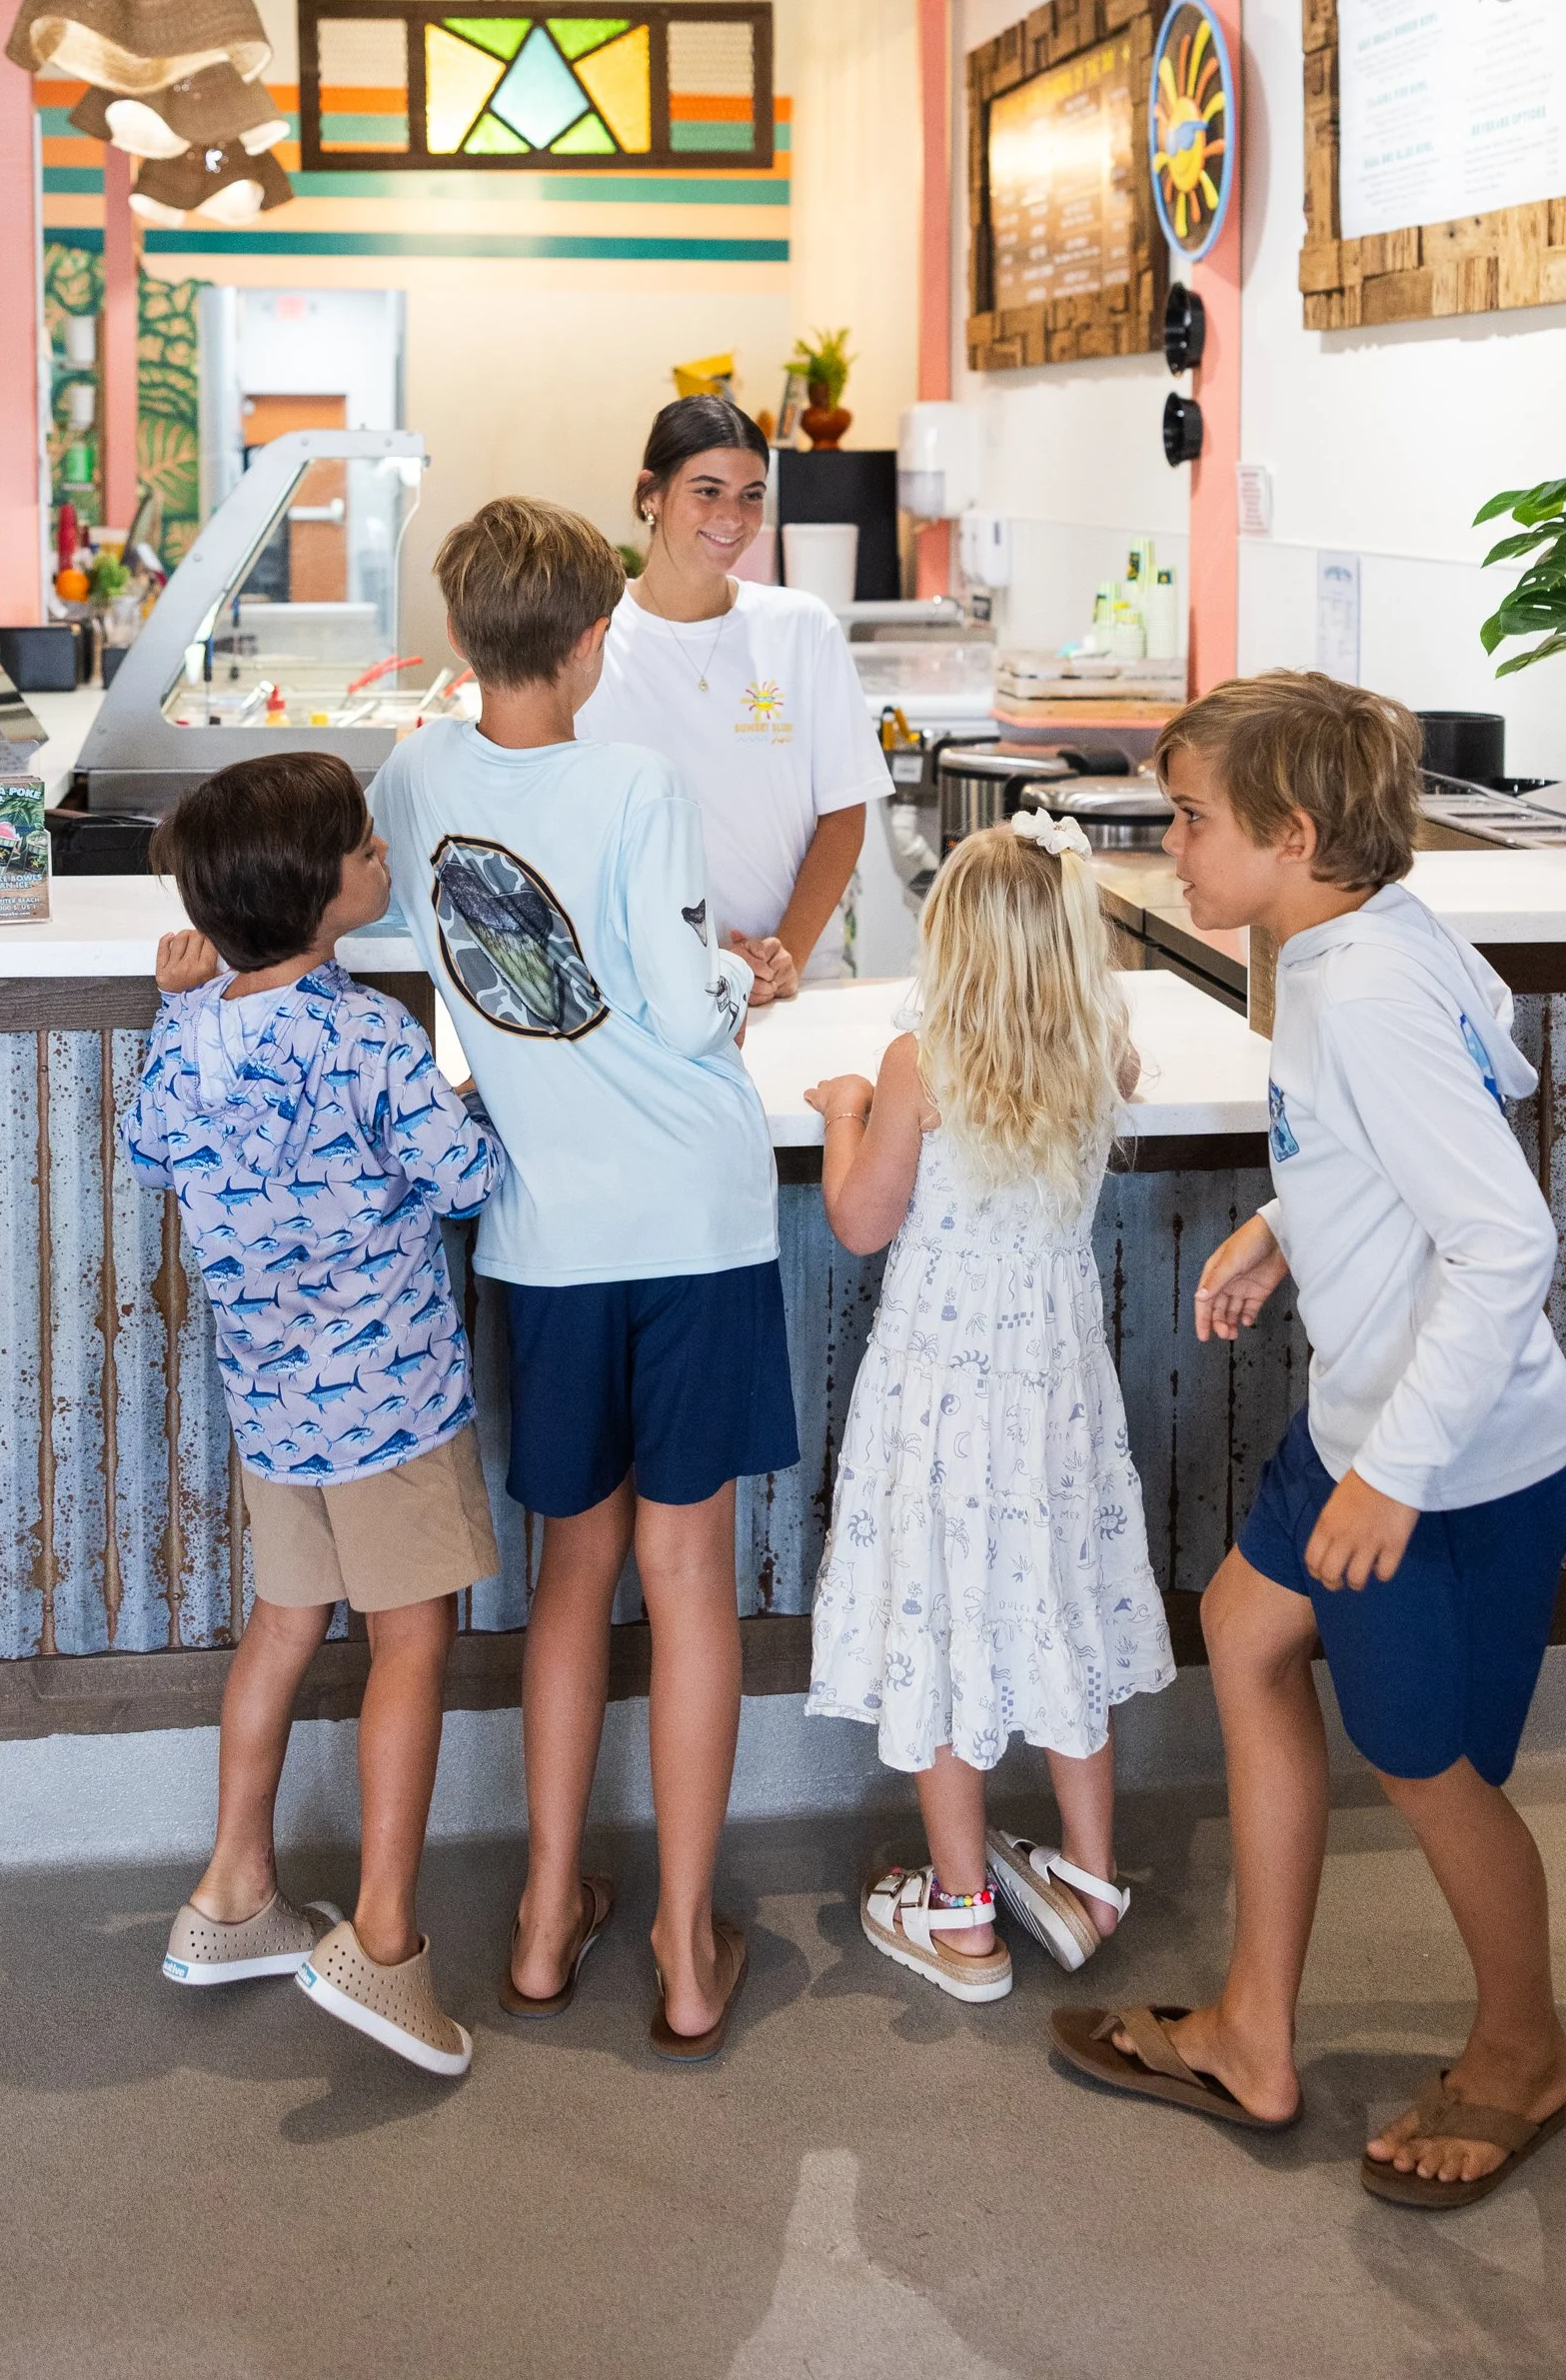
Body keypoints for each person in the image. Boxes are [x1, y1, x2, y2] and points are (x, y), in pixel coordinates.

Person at [1052, 674, 1566, 2215]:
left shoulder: (1351, 987)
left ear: (1293, 835)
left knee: (1429, 1777)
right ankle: (1249, 2035)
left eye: (1191, 821)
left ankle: (1519, 2054)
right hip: (1362, 1422)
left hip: (1443, 1462)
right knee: (1243, 1628)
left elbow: (1503, 1236)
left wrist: (1393, 1475)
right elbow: (1485, 1093)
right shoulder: (1366, 938)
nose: (1170, 849)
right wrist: (1296, 1222)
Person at [372, 494, 796, 2058]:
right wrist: (735, 979)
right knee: (685, 1582)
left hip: (542, 1233)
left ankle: (546, 1922)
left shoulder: (414, 776)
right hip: (687, 1222)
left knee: (570, 1576)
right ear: (592, 640)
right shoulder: (634, 781)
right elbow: (683, 1021)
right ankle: (688, 1955)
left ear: (469, 637)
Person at [128, 752, 510, 2082]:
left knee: (284, 1629)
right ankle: (386, 1945)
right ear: (318, 889)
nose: (382, 856)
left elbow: (146, 1145)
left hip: (271, 1408)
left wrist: (178, 1012)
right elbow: (463, 1180)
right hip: (391, 1401)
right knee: (412, 1641)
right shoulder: (368, 1038)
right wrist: (495, 1107)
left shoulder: (193, 1039)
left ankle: (233, 1890)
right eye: (364, 843)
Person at [803, 810, 1172, 2002]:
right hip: (1054, 1392)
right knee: (1056, 1602)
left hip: (941, 1399)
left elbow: (860, 1222)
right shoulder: (1099, 1054)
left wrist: (843, 1114)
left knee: (944, 1615)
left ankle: (961, 1916)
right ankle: (1092, 1879)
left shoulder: (922, 1064)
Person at [576, 391, 890, 1000]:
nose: (733, 515)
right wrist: (686, 962)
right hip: (646, 988)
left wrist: (783, 956)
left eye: (752, 495)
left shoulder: (802, 627)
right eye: (707, 490)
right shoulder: (591, 637)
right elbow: (578, 832)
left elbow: (845, 810)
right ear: (652, 494)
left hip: (797, 980)